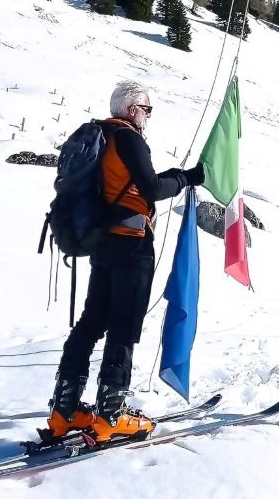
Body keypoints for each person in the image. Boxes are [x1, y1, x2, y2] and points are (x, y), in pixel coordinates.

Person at [47, 80, 204, 443]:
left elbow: (131, 183)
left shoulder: (100, 135)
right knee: (123, 326)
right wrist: (186, 178)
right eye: (147, 109)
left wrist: (178, 176)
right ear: (133, 109)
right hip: (132, 245)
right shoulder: (128, 138)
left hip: (103, 241)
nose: (148, 116)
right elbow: (151, 189)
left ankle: (64, 411)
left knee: (91, 322)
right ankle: (110, 415)